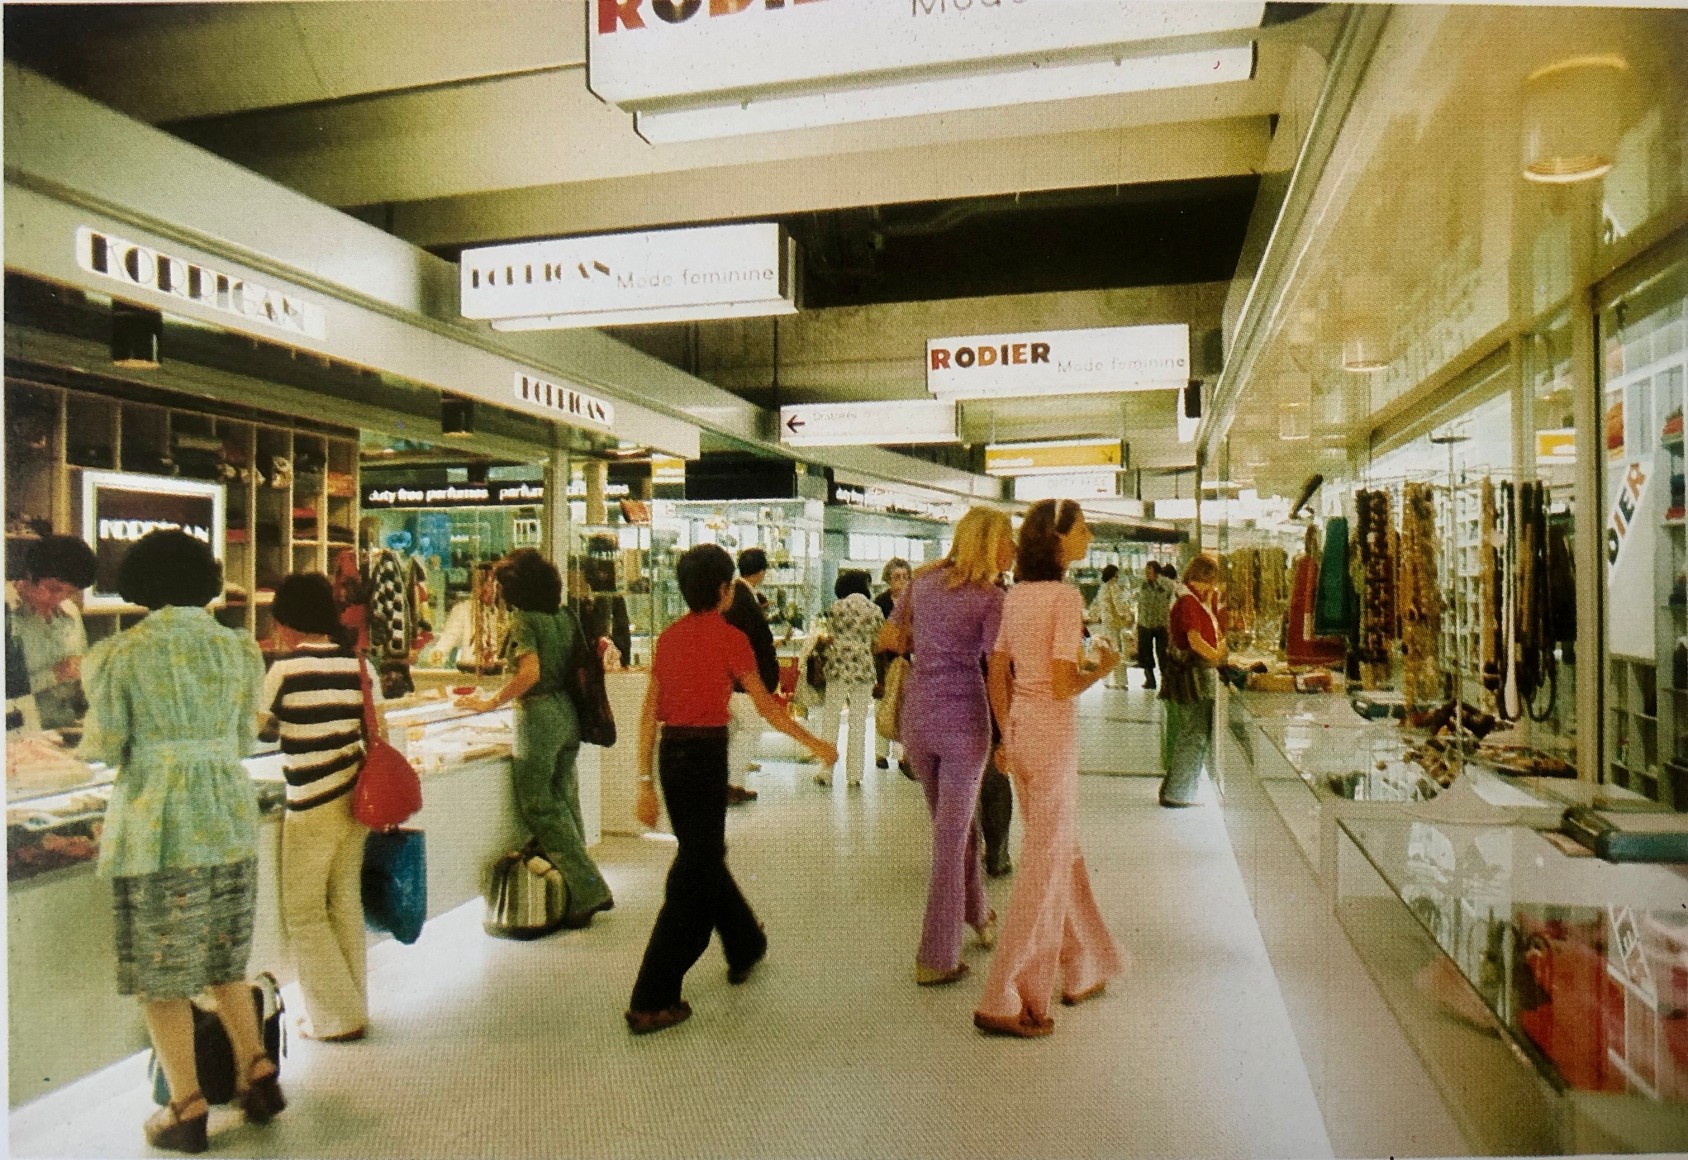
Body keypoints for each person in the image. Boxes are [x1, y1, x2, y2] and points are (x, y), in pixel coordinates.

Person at [77, 530, 281, 1151]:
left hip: (158, 825)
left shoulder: (120, 654)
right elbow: (245, 740)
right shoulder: (239, 649)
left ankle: (186, 1107)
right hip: (226, 813)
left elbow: (106, 744)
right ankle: (256, 1073)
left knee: (161, 976)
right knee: (225, 961)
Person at [626, 544, 837, 1034]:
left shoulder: (670, 638)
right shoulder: (731, 638)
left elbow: (648, 713)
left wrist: (643, 782)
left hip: (672, 761)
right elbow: (765, 706)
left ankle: (744, 942)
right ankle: (650, 997)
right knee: (693, 881)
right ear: (725, 590)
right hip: (704, 759)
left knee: (702, 855)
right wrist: (815, 743)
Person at [975, 499, 1125, 1038]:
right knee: (1045, 862)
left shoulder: (1016, 596)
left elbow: (997, 669)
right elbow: (1062, 684)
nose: (1088, 534)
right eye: (1082, 528)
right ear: (1058, 541)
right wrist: (1100, 671)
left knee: (1060, 846)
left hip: (1022, 732)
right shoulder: (1065, 597)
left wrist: (1006, 733)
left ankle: (1080, 963)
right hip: (1054, 737)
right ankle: (1005, 994)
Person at [881, 507, 1014, 987]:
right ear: (990, 545)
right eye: (1007, 540)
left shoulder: (921, 585)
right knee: (950, 837)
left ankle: (978, 915)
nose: (1012, 549)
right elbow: (996, 670)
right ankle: (936, 955)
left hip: (918, 715)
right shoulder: (991, 599)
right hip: (964, 721)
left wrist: (930, 640)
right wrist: (1009, 733)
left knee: (954, 827)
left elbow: (887, 637)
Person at [456, 549, 614, 928]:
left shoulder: (524, 620)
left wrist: (491, 701)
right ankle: (578, 890)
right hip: (567, 713)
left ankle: (590, 889)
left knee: (540, 806)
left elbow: (529, 673)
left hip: (538, 716)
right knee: (565, 799)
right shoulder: (563, 616)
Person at [262, 573, 376, 1042]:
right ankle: (353, 1006)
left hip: (310, 804)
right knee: (345, 902)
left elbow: (255, 731)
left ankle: (335, 1017)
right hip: (356, 800)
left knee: (306, 914)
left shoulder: (284, 670)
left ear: (286, 620)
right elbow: (377, 732)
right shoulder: (357, 666)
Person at [5, 534, 98, 729]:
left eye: (70, 592)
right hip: (21, 735)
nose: (60, 598)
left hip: (68, 728)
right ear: (29, 575)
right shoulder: (7, 612)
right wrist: (54, 674)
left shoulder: (70, 611)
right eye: (54, 589)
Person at [1159, 554, 1227, 808]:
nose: (1209, 587)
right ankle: (1178, 794)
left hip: (1193, 673)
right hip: (1195, 675)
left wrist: (1209, 601)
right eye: (1206, 582)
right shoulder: (1188, 601)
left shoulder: (1192, 599)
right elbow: (1195, 640)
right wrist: (1217, 656)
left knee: (1191, 733)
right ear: (1196, 578)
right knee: (1195, 734)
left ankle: (1175, 788)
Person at [815, 569, 883, 788]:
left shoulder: (836, 607)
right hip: (863, 666)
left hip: (838, 665)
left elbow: (831, 633)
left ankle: (825, 770)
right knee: (858, 722)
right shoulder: (875, 610)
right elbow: (878, 640)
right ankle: (855, 774)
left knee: (831, 718)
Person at [722, 547, 779, 804]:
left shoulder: (739, 594)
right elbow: (752, 639)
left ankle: (729, 782)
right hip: (743, 677)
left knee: (736, 728)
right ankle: (732, 785)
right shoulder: (743, 597)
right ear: (761, 572)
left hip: (734, 677)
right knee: (750, 727)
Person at [872, 558, 912, 775]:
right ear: (888, 579)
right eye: (897, 577)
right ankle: (880, 752)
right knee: (884, 703)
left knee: (904, 706)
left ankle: (902, 754)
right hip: (884, 661)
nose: (902, 581)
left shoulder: (913, 603)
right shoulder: (880, 603)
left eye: (905, 576)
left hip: (907, 659)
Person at [1087, 564, 1133, 687]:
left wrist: (1091, 616)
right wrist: (1126, 615)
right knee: (1117, 651)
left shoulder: (1102, 588)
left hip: (1105, 623)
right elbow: (1119, 604)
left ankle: (1107, 680)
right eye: (1117, 573)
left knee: (1106, 650)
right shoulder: (1114, 587)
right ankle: (1120, 681)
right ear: (1114, 574)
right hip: (1114, 623)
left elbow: (1095, 604)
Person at [1135, 560, 1174, 691]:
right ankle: (1150, 679)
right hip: (1144, 623)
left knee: (1162, 654)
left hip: (1161, 624)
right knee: (1145, 653)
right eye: (1146, 572)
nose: (1147, 574)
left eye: (1149, 572)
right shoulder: (1142, 584)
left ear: (1156, 572)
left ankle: (1166, 681)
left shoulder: (1168, 584)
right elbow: (1139, 602)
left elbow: (1173, 602)